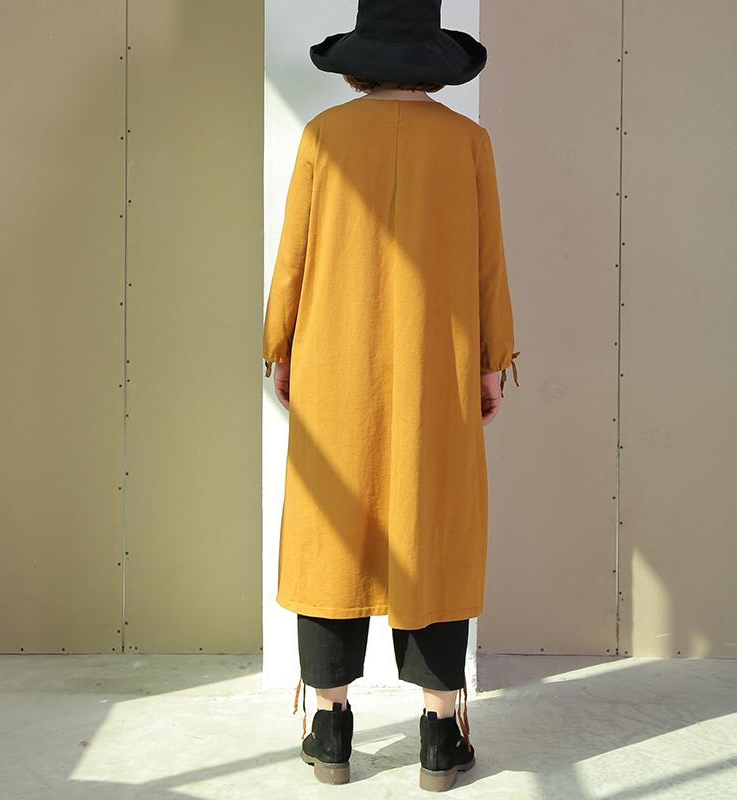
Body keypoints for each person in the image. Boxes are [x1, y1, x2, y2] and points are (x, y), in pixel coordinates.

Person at [262, 0, 519, 791]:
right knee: (433, 522)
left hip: (335, 363)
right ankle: (440, 733)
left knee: (332, 529)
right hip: (435, 368)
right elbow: (488, 262)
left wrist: (280, 346)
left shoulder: (324, 136)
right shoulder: (467, 141)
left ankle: (330, 729)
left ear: (359, 62)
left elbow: (295, 253)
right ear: (433, 63)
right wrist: (490, 361)